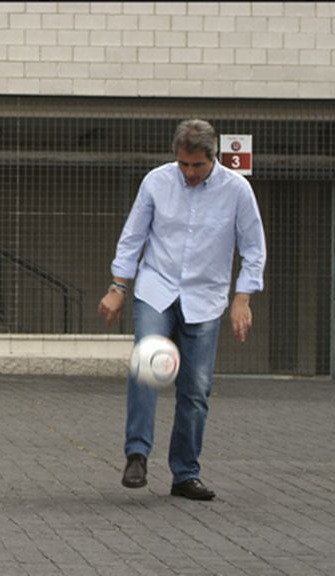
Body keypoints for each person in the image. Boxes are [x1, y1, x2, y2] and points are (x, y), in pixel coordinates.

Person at [98, 119, 266, 501]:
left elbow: (254, 248)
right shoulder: (156, 182)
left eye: (197, 166)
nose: (189, 173)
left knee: (196, 389)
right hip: (156, 289)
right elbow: (133, 236)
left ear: (213, 157)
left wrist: (242, 298)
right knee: (147, 368)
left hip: (205, 298)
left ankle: (185, 473)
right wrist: (118, 287)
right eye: (183, 164)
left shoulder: (237, 190)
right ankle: (137, 455)